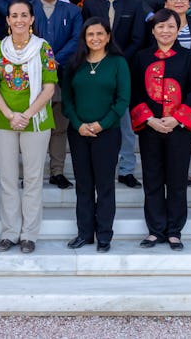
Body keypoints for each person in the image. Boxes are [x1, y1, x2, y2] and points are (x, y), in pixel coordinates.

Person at [0, 0, 58, 254]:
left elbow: (49, 87)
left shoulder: (43, 48)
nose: (19, 20)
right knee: (7, 178)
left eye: (24, 15)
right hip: (3, 121)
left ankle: (29, 234)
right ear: (7, 20)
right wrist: (9, 114)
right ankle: (10, 232)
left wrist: (25, 114)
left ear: (32, 19)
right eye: (14, 15)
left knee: (33, 178)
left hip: (35, 120)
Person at [130, 8, 191, 251]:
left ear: (178, 29)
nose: (165, 31)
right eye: (160, 26)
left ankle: (174, 231)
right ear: (153, 30)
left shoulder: (188, 56)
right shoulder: (141, 57)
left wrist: (178, 118)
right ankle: (155, 230)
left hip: (178, 129)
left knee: (176, 180)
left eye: (171, 26)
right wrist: (149, 119)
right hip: (150, 128)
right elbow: (136, 92)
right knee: (152, 179)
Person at [60, 18, 131, 252]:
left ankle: (104, 235)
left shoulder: (118, 63)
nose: (95, 38)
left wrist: (102, 124)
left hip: (107, 133)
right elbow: (67, 100)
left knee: (104, 185)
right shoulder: (75, 63)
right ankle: (84, 233)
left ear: (108, 36)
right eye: (90, 34)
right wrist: (79, 124)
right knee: (83, 184)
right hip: (79, 133)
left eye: (100, 34)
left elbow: (122, 101)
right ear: (84, 37)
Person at [79, 0, 147, 188]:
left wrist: (116, 61)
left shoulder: (135, 5)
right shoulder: (90, 4)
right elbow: (86, 36)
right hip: (94, 69)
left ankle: (126, 169)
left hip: (124, 68)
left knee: (125, 122)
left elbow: (138, 39)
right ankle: (98, 167)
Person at [31, 0, 83, 191]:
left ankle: (57, 172)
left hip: (62, 76)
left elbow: (76, 39)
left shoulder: (71, 10)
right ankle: (33, 173)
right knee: (33, 128)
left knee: (59, 127)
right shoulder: (27, 9)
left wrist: (54, 60)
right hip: (31, 79)